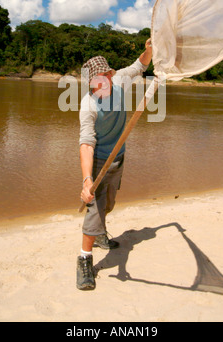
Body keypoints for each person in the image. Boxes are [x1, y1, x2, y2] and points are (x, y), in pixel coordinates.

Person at [76, 39, 152, 290]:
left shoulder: (119, 80)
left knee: (108, 203)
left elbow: (140, 65)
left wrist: (150, 49)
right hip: (98, 161)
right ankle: (85, 260)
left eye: (104, 78)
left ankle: (99, 235)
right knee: (94, 210)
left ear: (110, 75)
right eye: (94, 82)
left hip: (119, 158)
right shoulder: (88, 106)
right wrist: (87, 180)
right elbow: (86, 143)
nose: (101, 84)